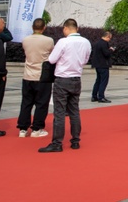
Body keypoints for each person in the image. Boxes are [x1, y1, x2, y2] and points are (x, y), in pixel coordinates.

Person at [38, 19, 92, 152]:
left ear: (66, 28)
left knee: (60, 112)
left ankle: (57, 143)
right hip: (76, 78)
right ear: (77, 28)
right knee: (74, 111)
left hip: (62, 79)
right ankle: (75, 141)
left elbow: (52, 59)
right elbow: (85, 60)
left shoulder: (63, 41)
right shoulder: (86, 42)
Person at [17, 18, 54, 138]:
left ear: (32, 27)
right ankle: (37, 128)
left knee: (26, 103)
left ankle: (22, 128)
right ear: (44, 28)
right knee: (41, 103)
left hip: (28, 75)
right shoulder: (49, 40)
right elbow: (52, 54)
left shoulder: (25, 40)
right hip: (42, 76)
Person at [90, 31, 114, 103]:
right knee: (103, 81)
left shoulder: (97, 43)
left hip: (97, 64)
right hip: (103, 65)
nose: (109, 40)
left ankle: (94, 96)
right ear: (107, 37)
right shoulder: (104, 43)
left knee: (98, 80)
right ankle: (101, 97)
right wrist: (111, 50)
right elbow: (106, 53)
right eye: (109, 38)